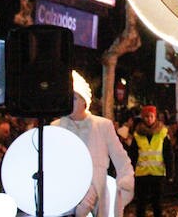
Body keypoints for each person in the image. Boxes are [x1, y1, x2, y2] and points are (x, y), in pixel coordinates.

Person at [53, 71, 134, 217]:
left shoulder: (103, 125)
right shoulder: (56, 127)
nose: (71, 102)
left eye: (75, 97)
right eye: (68, 97)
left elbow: (120, 157)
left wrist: (125, 179)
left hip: (97, 189)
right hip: (66, 191)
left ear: (84, 101)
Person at [129, 105, 170, 217]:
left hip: (158, 174)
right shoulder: (137, 134)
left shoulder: (162, 133)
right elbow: (132, 155)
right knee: (141, 204)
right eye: (146, 116)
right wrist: (130, 171)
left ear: (155, 117)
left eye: (151, 116)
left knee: (157, 204)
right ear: (143, 118)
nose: (149, 119)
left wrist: (170, 172)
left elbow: (168, 154)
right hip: (142, 174)